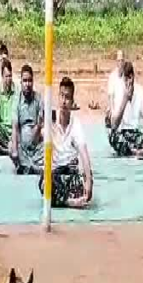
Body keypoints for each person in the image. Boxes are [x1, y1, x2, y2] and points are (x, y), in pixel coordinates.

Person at [37, 77, 93, 208]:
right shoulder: (50, 119)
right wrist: (39, 126)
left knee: (85, 184)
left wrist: (89, 180)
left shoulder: (76, 124)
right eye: (61, 96)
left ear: (72, 102)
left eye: (67, 97)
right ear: (57, 97)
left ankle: (64, 198)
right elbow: (37, 139)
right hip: (55, 172)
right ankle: (69, 201)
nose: (63, 101)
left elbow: (84, 153)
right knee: (45, 183)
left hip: (70, 171)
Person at [107, 61, 143, 158]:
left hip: (134, 133)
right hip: (121, 133)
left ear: (132, 77)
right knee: (113, 137)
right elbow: (114, 125)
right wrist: (125, 99)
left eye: (129, 78)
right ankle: (136, 152)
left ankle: (136, 150)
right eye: (125, 80)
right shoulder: (120, 92)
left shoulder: (140, 90)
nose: (127, 82)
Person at [10, 64, 44, 174]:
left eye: (30, 81)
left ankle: (28, 166)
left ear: (33, 82)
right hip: (22, 145)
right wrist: (15, 150)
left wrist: (38, 126)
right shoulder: (16, 100)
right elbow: (15, 127)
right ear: (21, 82)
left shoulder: (39, 99)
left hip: (36, 142)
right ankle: (32, 166)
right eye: (25, 81)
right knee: (11, 146)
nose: (27, 84)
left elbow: (42, 126)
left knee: (50, 147)